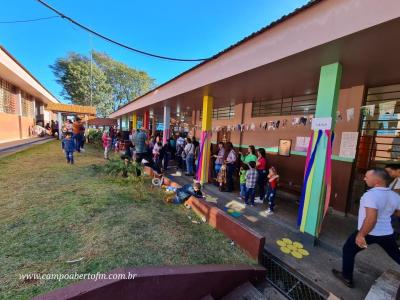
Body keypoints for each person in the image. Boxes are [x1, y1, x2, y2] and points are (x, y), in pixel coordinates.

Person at [332, 168, 400, 288]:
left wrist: (361, 235)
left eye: (367, 177)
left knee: (348, 250)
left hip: (369, 233)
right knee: (396, 254)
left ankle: (346, 277)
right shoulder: (395, 196)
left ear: (377, 181)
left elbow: (371, 219)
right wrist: (386, 214)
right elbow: (398, 213)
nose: (364, 178)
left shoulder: (370, 195)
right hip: (387, 233)